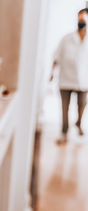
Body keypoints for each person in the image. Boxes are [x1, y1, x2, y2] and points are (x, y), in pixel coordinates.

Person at [51, 8, 88, 144]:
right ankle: (64, 132)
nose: (81, 22)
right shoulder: (66, 39)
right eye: (79, 19)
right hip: (65, 79)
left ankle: (78, 123)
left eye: (83, 20)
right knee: (65, 107)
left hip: (83, 81)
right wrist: (51, 73)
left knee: (82, 105)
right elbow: (56, 56)